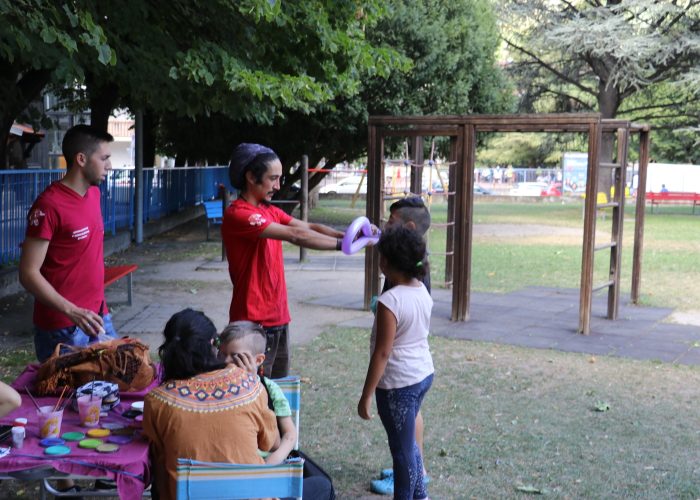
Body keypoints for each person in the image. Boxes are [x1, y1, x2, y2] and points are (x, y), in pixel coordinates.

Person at [222, 143, 346, 379]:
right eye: (273, 178)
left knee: (279, 390)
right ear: (250, 176)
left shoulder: (268, 210)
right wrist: (343, 247)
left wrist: (347, 235)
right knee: (255, 393)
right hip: (252, 321)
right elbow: (296, 235)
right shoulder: (239, 214)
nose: (278, 186)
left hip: (278, 316)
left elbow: (307, 226)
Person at [143, 309, 278, 500]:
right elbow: (270, 442)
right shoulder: (250, 385)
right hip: (249, 495)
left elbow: (157, 458)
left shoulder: (157, 400)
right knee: (320, 485)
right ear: (212, 345)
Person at [19, 124, 118, 363]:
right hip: (62, 329)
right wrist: (72, 311)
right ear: (81, 159)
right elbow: (28, 274)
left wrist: (98, 307)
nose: (110, 166)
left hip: (98, 318)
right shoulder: (49, 206)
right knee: (69, 400)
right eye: (104, 158)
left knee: (116, 390)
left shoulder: (93, 194)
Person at [358, 226, 434, 500]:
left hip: (398, 384)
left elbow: (382, 353)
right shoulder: (422, 291)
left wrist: (366, 395)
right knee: (408, 445)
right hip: (422, 375)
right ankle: (420, 495)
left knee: (402, 453)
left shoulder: (389, 301)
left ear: (386, 262)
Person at [218, 321, 335, 500]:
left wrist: (269, 464)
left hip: (270, 467)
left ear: (258, 360)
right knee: (323, 487)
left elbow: (289, 435)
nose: (226, 362)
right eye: (222, 354)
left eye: (236, 357)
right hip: (243, 474)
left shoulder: (270, 389)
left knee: (322, 482)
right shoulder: (214, 391)